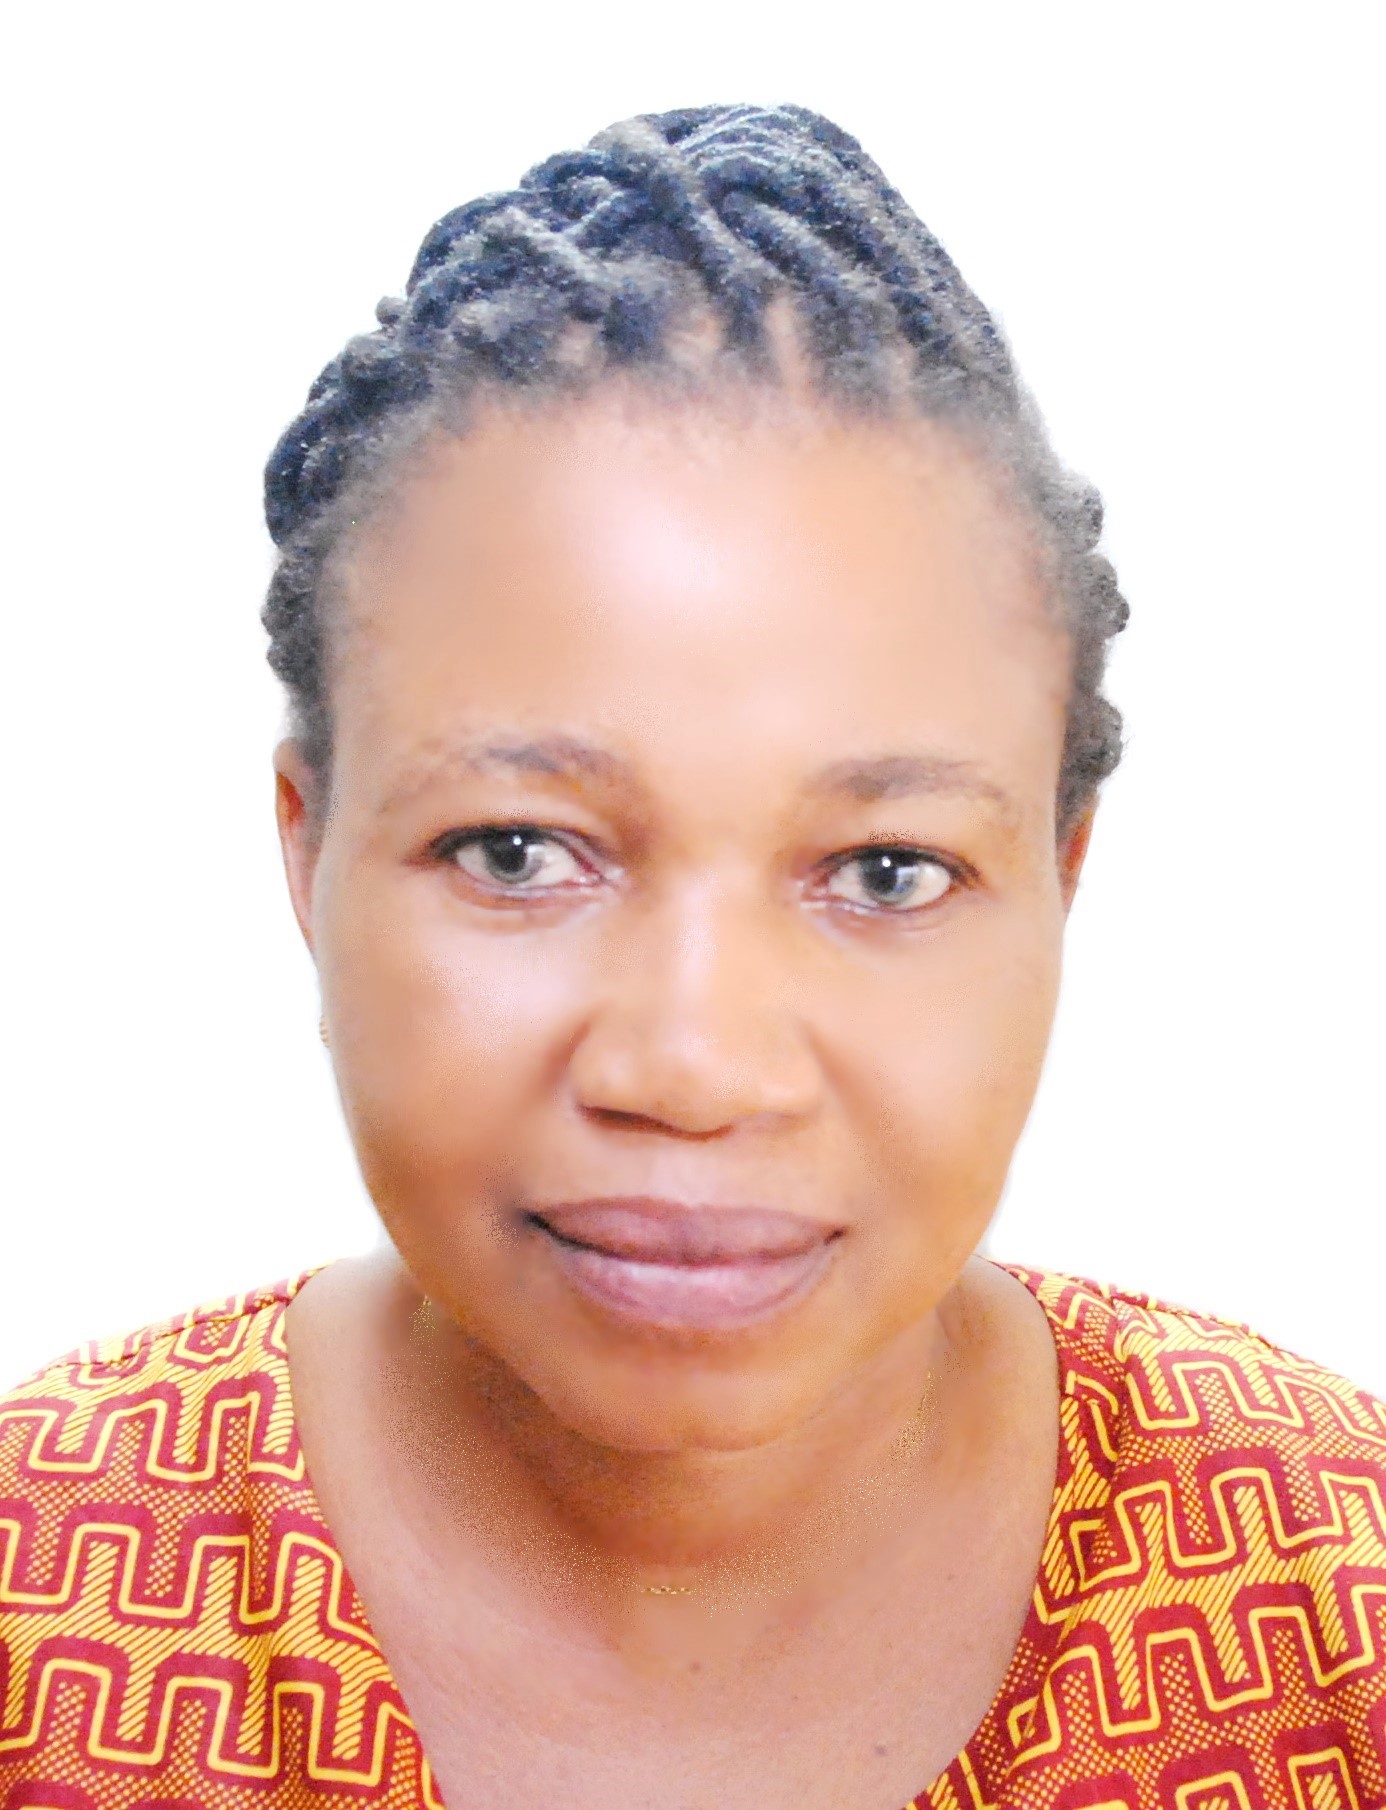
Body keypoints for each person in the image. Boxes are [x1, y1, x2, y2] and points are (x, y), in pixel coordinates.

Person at [1, 102, 1381, 1810]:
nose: (694, 1063)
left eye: (885, 869)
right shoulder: (35, 1613)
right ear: (307, 850)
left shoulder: (1341, 1603)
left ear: (1060, 876)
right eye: (516, 850)